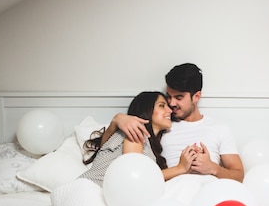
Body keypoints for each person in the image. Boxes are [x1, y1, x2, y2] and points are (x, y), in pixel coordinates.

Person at [102, 63, 244, 182]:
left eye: (179, 97)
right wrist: (117, 120)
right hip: (172, 192)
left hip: (209, 190)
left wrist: (213, 168)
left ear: (196, 97)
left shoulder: (219, 128)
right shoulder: (162, 125)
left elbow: (239, 175)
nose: (171, 103)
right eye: (169, 97)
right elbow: (106, 153)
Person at [79, 91, 198, 186]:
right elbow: (135, 176)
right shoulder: (136, 133)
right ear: (147, 110)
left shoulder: (148, 147)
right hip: (88, 189)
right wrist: (180, 168)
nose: (170, 110)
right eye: (162, 106)